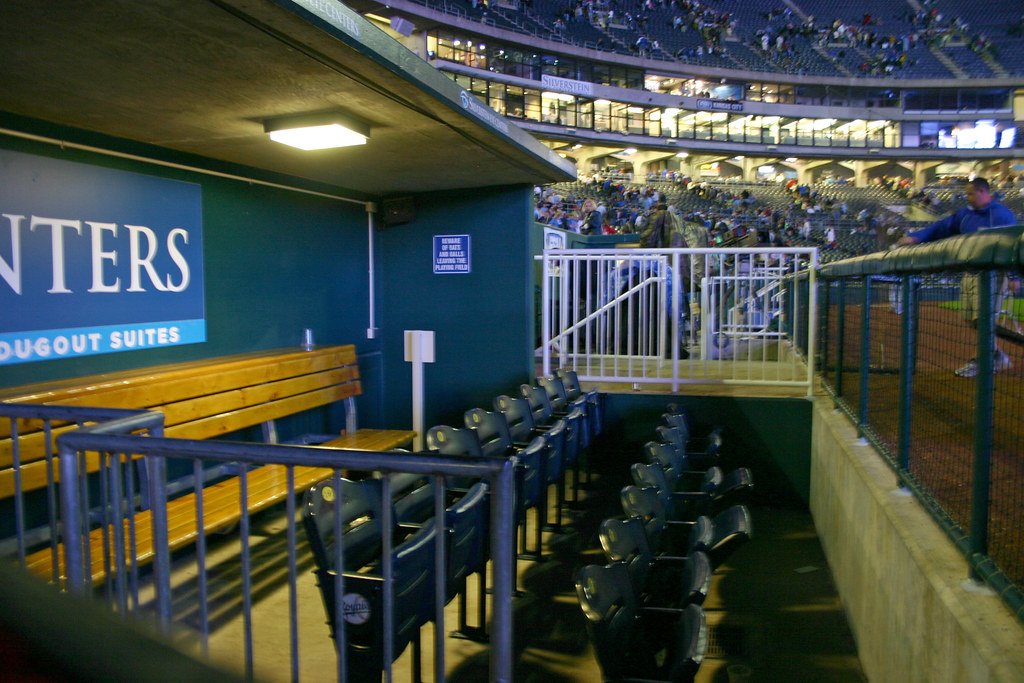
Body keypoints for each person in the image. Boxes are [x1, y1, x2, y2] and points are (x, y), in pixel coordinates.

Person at [896, 177, 1018, 377]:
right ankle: (996, 355)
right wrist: (916, 237)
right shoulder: (965, 215)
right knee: (969, 317)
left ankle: (984, 359)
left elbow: (1012, 246)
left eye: (971, 193)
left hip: (993, 276)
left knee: (983, 318)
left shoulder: (1003, 216)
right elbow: (940, 228)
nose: (967, 197)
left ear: (983, 192)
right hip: (969, 273)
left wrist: (1014, 276)